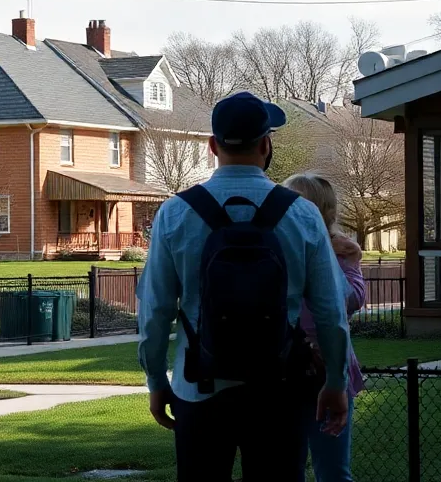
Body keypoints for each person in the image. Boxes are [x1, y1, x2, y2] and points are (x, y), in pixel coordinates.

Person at [137, 91, 351, 482]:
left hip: (197, 387)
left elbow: (155, 311)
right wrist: (335, 381)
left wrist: (155, 381)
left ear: (212, 145)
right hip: (279, 389)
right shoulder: (302, 214)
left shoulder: (175, 213)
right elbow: (330, 310)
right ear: (266, 144)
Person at [284, 173, 367, 482]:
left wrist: (354, 260)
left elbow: (349, 300)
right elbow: (350, 300)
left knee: (330, 471)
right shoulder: (330, 250)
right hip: (302, 365)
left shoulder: (337, 249)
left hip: (318, 369)